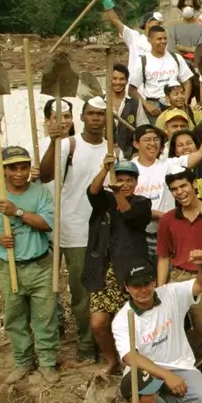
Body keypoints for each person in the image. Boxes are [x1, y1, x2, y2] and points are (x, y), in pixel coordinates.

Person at [39, 97, 117, 363]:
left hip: (93, 231)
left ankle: (88, 344)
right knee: (59, 291)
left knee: (86, 292)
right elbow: (46, 174)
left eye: (100, 114)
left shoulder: (112, 149)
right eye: (91, 113)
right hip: (65, 227)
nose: (96, 118)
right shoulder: (68, 145)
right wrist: (53, 141)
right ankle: (61, 346)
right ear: (82, 117)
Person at [0, 147, 57, 384]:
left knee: (45, 317)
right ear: (4, 170)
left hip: (39, 265)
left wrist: (16, 211)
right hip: (9, 267)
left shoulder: (41, 193)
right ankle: (22, 363)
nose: (19, 173)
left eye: (23, 167)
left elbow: (47, 223)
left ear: (30, 168)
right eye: (13, 168)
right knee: (15, 318)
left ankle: (48, 363)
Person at [112, 258, 202, 403]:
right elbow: (130, 357)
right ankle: (151, 402)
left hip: (179, 365)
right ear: (126, 288)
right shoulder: (122, 318)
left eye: (147, 283)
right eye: (136, 286)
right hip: (145, 370)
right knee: (134, 398)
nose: (143, 290)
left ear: (154, 282)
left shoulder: (171, 293)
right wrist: (166, 375)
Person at [84, 157, 152, 376]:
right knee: (98, 323)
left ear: (136, 182)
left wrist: (118, 194)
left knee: (132, 323)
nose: (124, 183)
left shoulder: (142, 203)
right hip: (102, 271)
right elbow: (92, 192)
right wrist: (105, 169)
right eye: (120, 179)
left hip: (130, 273)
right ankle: (111, 361)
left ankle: (133, 365)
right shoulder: (104, 200)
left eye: (129, 180)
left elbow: (130, 216)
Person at [156, 166, 202, 355]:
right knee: (170, 330)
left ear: (195, 184)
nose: (180, 192)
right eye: (174, 189)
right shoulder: (168, 219)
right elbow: (164, 257)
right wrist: (160, 288)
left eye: (183, 186)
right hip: (179, 277)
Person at [132, 124, 202, 259]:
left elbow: (200, 153)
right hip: (139, 232)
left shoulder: (168, 165)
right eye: (147, 140)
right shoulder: (129, 168)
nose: (152, 144)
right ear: (136, 143)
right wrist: (159, 214)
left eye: (156, 139)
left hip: (167, 229)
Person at [128, 26, 194, 115]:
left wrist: (184, 102)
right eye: (159, 39)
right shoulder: (142, 62)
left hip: (176, 105)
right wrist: (146, 105)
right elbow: (132, 90)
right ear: (149, 40)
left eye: (165, 38)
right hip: (154, 107)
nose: (163, 41)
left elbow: (187, 82)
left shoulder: (176, 58)